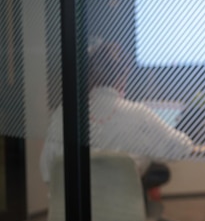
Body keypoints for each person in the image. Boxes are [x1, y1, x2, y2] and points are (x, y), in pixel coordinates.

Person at [40, 41, 196, 197]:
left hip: (71, 217)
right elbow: (181, 148)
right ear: (122, 76)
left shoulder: (63, 114)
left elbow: (47, 171)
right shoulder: (138, 114)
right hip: (122, 217)